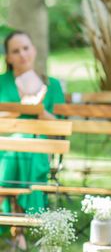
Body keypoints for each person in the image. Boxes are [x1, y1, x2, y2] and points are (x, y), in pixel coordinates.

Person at [0, 30, 66, 215]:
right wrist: (21, 109)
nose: (22, 54)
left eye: (25, 48)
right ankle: (18, 220)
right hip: (4, 146)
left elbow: (60, 129)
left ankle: (12, 212)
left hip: (39, 147)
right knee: (18, 145)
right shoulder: (1, 83)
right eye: (15, 51)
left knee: (27, 145)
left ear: (34, 50)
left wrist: (39, 111)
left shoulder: (52, 85)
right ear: (8, 57)